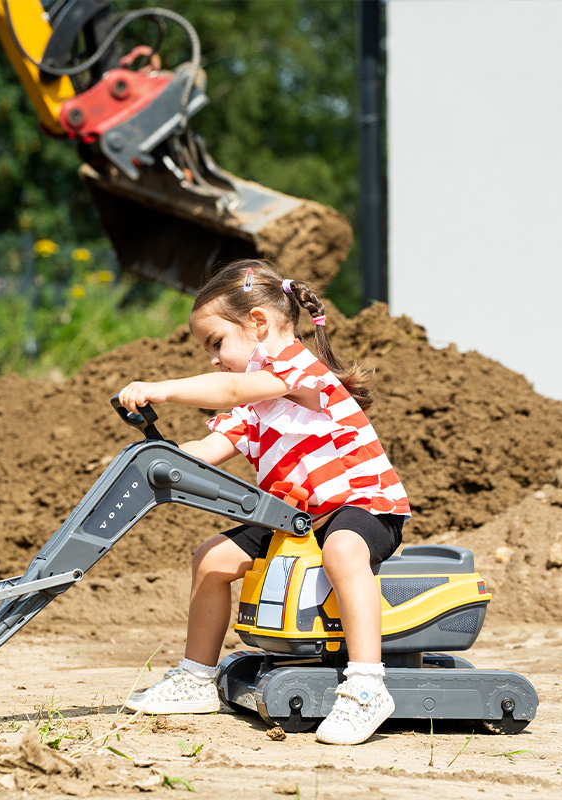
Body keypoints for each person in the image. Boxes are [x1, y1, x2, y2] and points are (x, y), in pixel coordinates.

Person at [117, 259, 410, 745]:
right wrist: (153, 457)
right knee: (211, 558)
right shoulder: (252, 406)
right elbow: (204, 452)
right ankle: (196, 677)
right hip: (295, 516)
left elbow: (229, 387)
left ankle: (365, 686)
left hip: (363, 506)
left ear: (258, 323)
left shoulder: (301, 372)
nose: (213, 358)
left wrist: (161, 390)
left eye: (216, 343)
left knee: (342, 550)